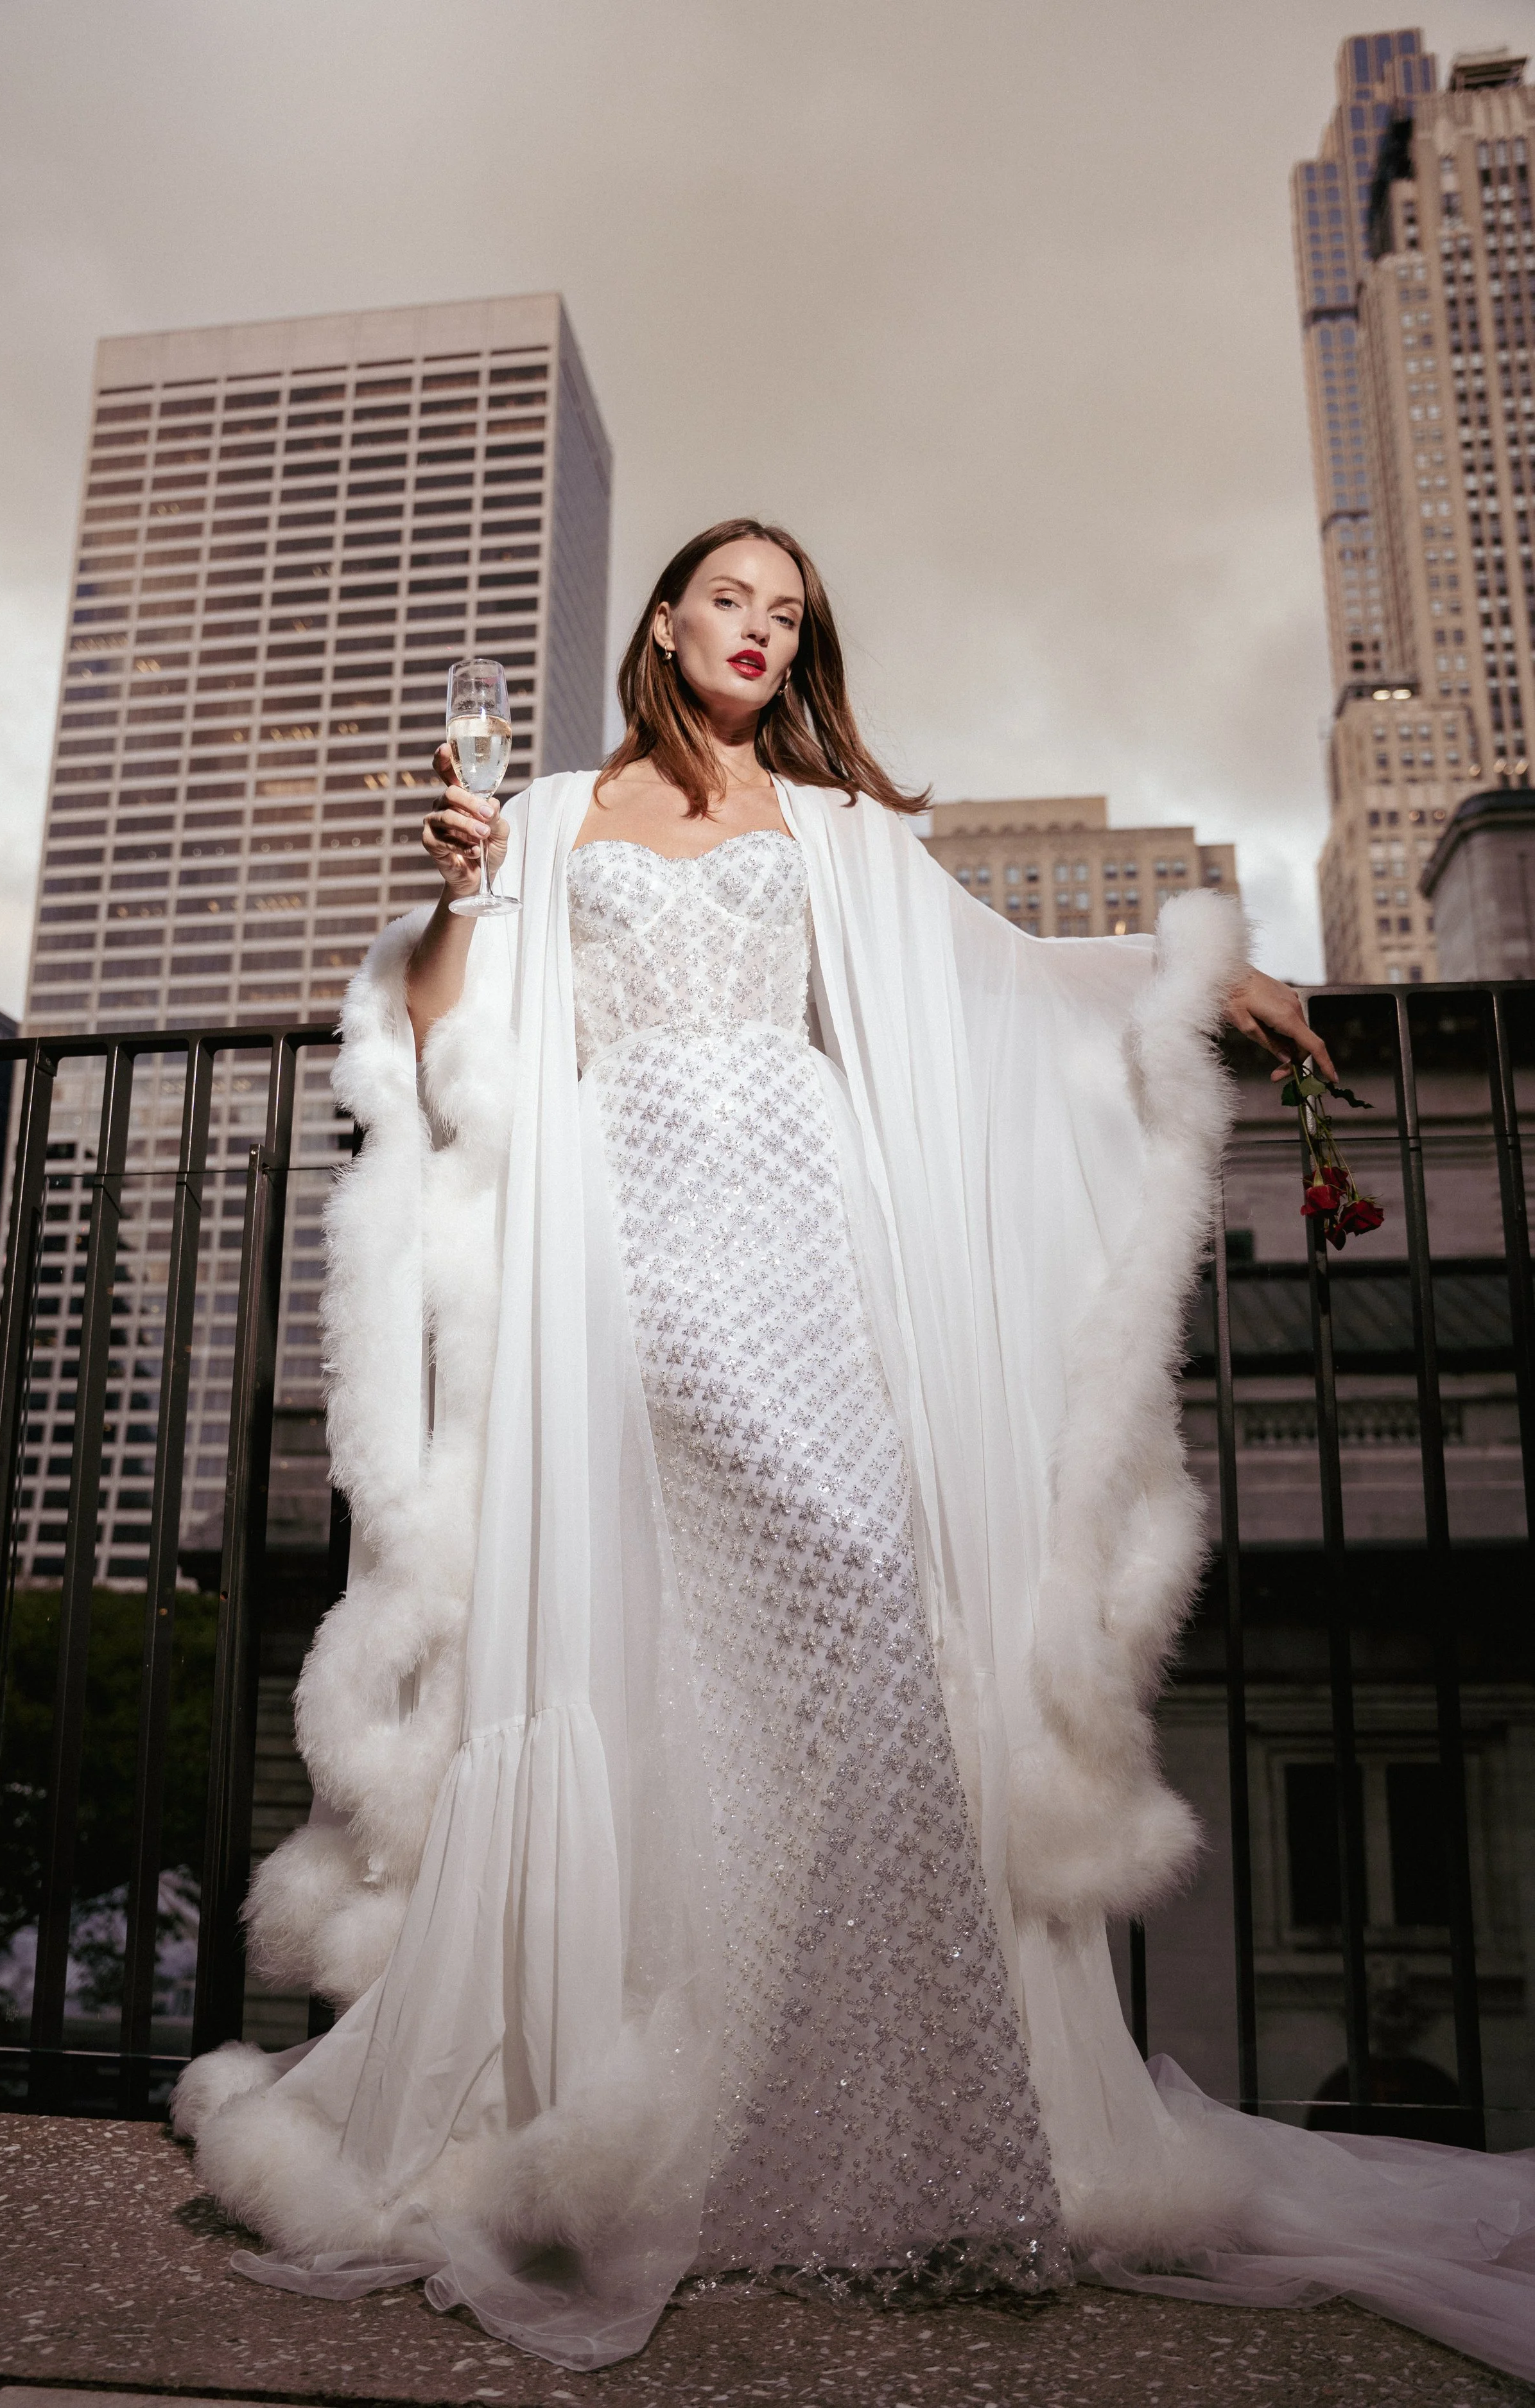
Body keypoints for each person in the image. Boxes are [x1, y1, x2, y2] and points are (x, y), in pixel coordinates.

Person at [174, 522, 1535, 2382]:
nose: (757, 630)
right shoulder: (551, 813)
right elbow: (436, 1042)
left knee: (863, 1628)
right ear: (666, 618)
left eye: (788, 614)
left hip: (815, 1242)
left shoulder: (829, 826)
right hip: (631, 1252)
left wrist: (1199, 983)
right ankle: (718, 2094)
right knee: (749, 1620)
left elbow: (998, 978)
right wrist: (460, 898)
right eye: (729, 599)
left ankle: (892, 2128)